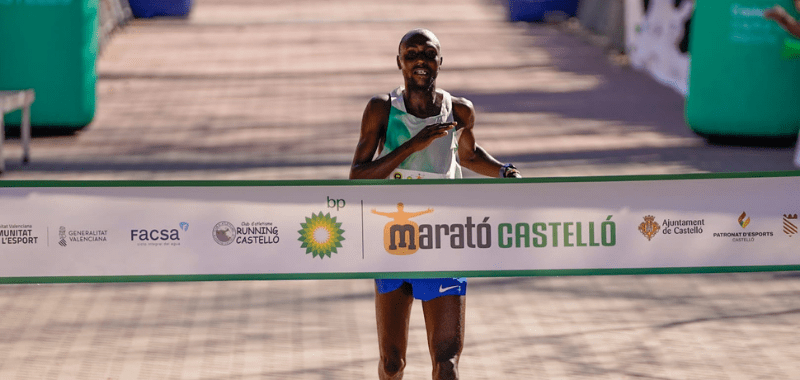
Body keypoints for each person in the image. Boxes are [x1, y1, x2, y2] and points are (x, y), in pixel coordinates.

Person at [349, 28, 521, 380]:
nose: (420, 62)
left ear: (440, 62)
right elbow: (358, 177)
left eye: (428, 54)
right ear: (399, 62)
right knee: (392, 362)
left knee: (447, 364)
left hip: (444, 238)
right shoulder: (381, 109)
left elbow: (470, 155)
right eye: (411, 55)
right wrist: (413, 145)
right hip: (394, 240)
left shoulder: (459, 110)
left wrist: (503, 172)